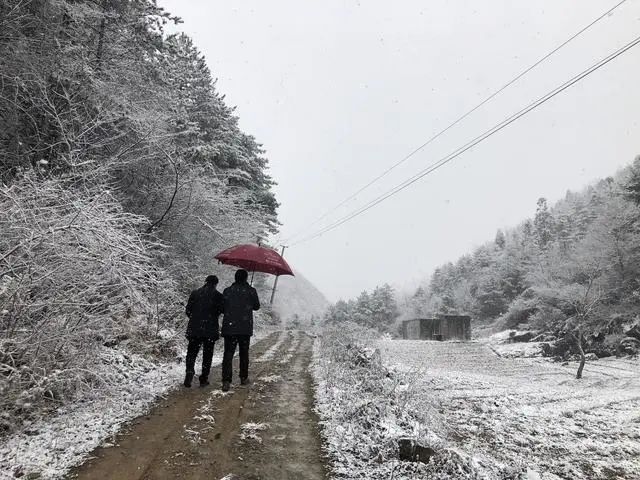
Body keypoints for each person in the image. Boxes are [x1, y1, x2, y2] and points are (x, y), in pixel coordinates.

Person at [221, 269, 260, 391]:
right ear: (246, 278)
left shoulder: (227, 291)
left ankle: (226, 381)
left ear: (235, 277)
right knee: (244, 353)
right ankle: (243, 378)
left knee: (228, 354)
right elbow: (257, 306)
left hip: (230, 327)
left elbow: (222, 308)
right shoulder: (251, 291)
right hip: (244, 328)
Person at [184, 275, 224, 388]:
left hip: (195, 328)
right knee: (207, 355)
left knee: (191, 353)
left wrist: (195, 318)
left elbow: (188, 310)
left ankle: (189, 372)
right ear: (216, 284)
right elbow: (221, 311)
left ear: (205, 282)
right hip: (210, 330)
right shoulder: (218, 296)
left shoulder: (195, 293)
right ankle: (203, 379)